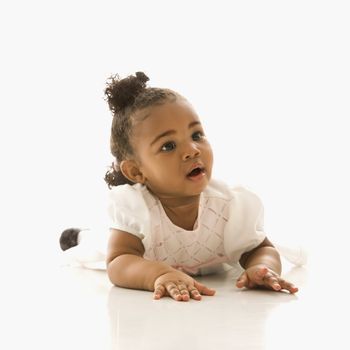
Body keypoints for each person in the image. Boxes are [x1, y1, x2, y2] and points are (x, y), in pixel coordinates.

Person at [60, 71, 303, 302]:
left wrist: (262, 267)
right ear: (136, 171)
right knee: (98, 248)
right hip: (147, 255)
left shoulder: (228, 206)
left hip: (200, 257)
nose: (192, 150)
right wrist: (158, 274)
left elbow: (260, 248)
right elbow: (119, 262)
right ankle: (79, 236)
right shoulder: (136, 208)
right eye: (168, 146)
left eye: (196, 135)